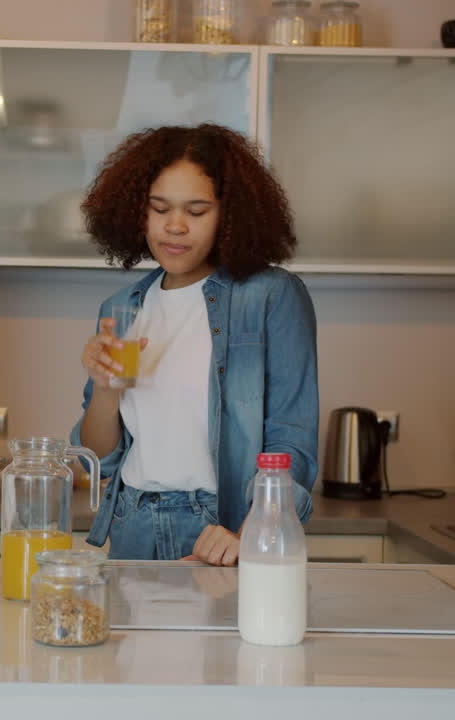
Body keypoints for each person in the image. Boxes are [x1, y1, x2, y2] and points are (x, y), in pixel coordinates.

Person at [71, 123, 318, 566]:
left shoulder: (270, 297)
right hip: (130, 524)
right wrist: (105, 393)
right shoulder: (123, 306)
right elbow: (99, 460)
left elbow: (292, 437)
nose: (175, 226)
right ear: (137, 212)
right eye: (159, 208)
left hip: (217, 531)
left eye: (197, 211)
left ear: (230, 214)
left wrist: (251, 533)